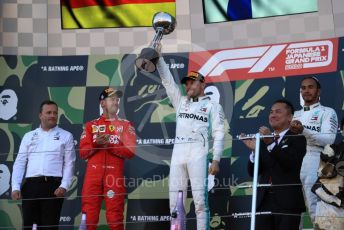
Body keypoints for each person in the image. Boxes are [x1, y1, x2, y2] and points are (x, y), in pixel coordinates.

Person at [156, 48, 225, 230]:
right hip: (178, 155)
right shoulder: (181, 102)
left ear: (202, 84)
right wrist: (159, 59)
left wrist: (216, 159)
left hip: (198, 155)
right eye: (186, 84)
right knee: (174, 205)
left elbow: (219, 133)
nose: (188, 87)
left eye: (192, 83)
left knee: (200, 202)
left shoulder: (213, 106)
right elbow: (168, 82)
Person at [242, 99, 306, 230]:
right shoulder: (263, 140)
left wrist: (271, 143)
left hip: (287, 202)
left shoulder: (297, 138)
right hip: (264, 201)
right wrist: (254, 151)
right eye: (271, 112)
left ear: (290, 117)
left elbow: (289, 163)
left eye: (278, 112)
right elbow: (254, 171)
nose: (273, 115)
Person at [11, 100, 76, 229]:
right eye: (49, 112)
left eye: (55, 113)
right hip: (30, 186)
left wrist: (64, 186)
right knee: (30, 226)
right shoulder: (28, 136)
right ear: (40, 115)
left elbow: (70, 164)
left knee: (50, 226)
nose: (53, 115)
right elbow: (20, 162)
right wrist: (15, 186)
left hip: (53, 187)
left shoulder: (66, 136)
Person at [79, 87, 136, 230]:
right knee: (88, 217)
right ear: (102, 103)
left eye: (117, 99)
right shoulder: (91, 125)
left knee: (115, 217)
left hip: (114, 176)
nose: (116, 102)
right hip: (93, 176)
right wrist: (95, 144)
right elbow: (82, 152)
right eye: (112, 99)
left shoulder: (125, 125)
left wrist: (110, 144)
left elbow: (130, 152)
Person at [290, 76, 338, 222]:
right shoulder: (295, 115)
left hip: (317, 159)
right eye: (303, 88)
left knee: (316, 206)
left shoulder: (327, 112)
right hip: (295, 163)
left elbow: (329, 139)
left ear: (319, 91)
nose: (306, 91)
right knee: (300, 209)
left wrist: (304, 130)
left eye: (310, 87)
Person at [311, 117, 344, 230]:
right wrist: (335, 164)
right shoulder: (331, 149)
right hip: (330, 203)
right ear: (341, 129)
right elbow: (322, 173)